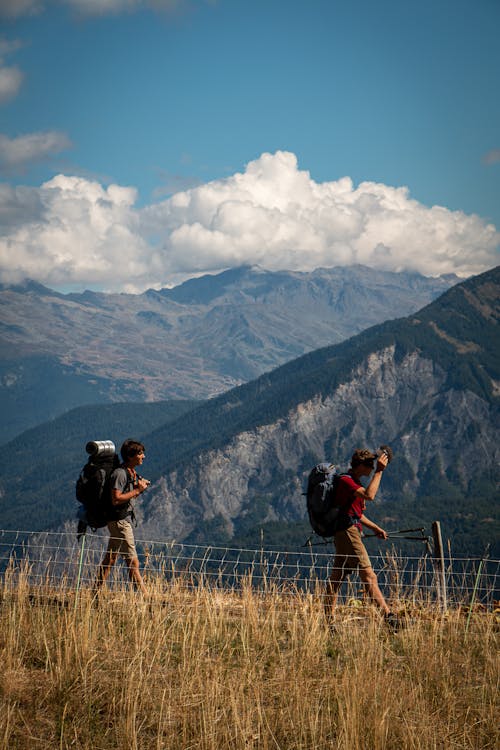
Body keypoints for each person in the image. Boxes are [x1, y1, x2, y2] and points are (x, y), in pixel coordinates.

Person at [324, 447, 402, 630]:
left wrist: (375, 528)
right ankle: (388, 616)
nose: (371, 468)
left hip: (346, 531)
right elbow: (370, 495)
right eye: (369, 465)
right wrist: (380, 471)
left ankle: (329, 621)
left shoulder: (353, 482)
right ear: (359, 466)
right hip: (348, 532)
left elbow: (356, 514)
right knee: (369, 575)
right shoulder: (346, 481)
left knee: (337, 577)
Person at [95, 439, 150, 595]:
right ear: (131, 456)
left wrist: (138, 489)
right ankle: (147, 599)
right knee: (133, 562)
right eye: (140, 453)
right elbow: (116, 498)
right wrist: (138, 491)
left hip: (119, 521)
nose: (143, 456)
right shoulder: (120, 473)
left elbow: (126, 498)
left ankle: (95, 593)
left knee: (110, 560)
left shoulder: (130, 472)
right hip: (119, 522)